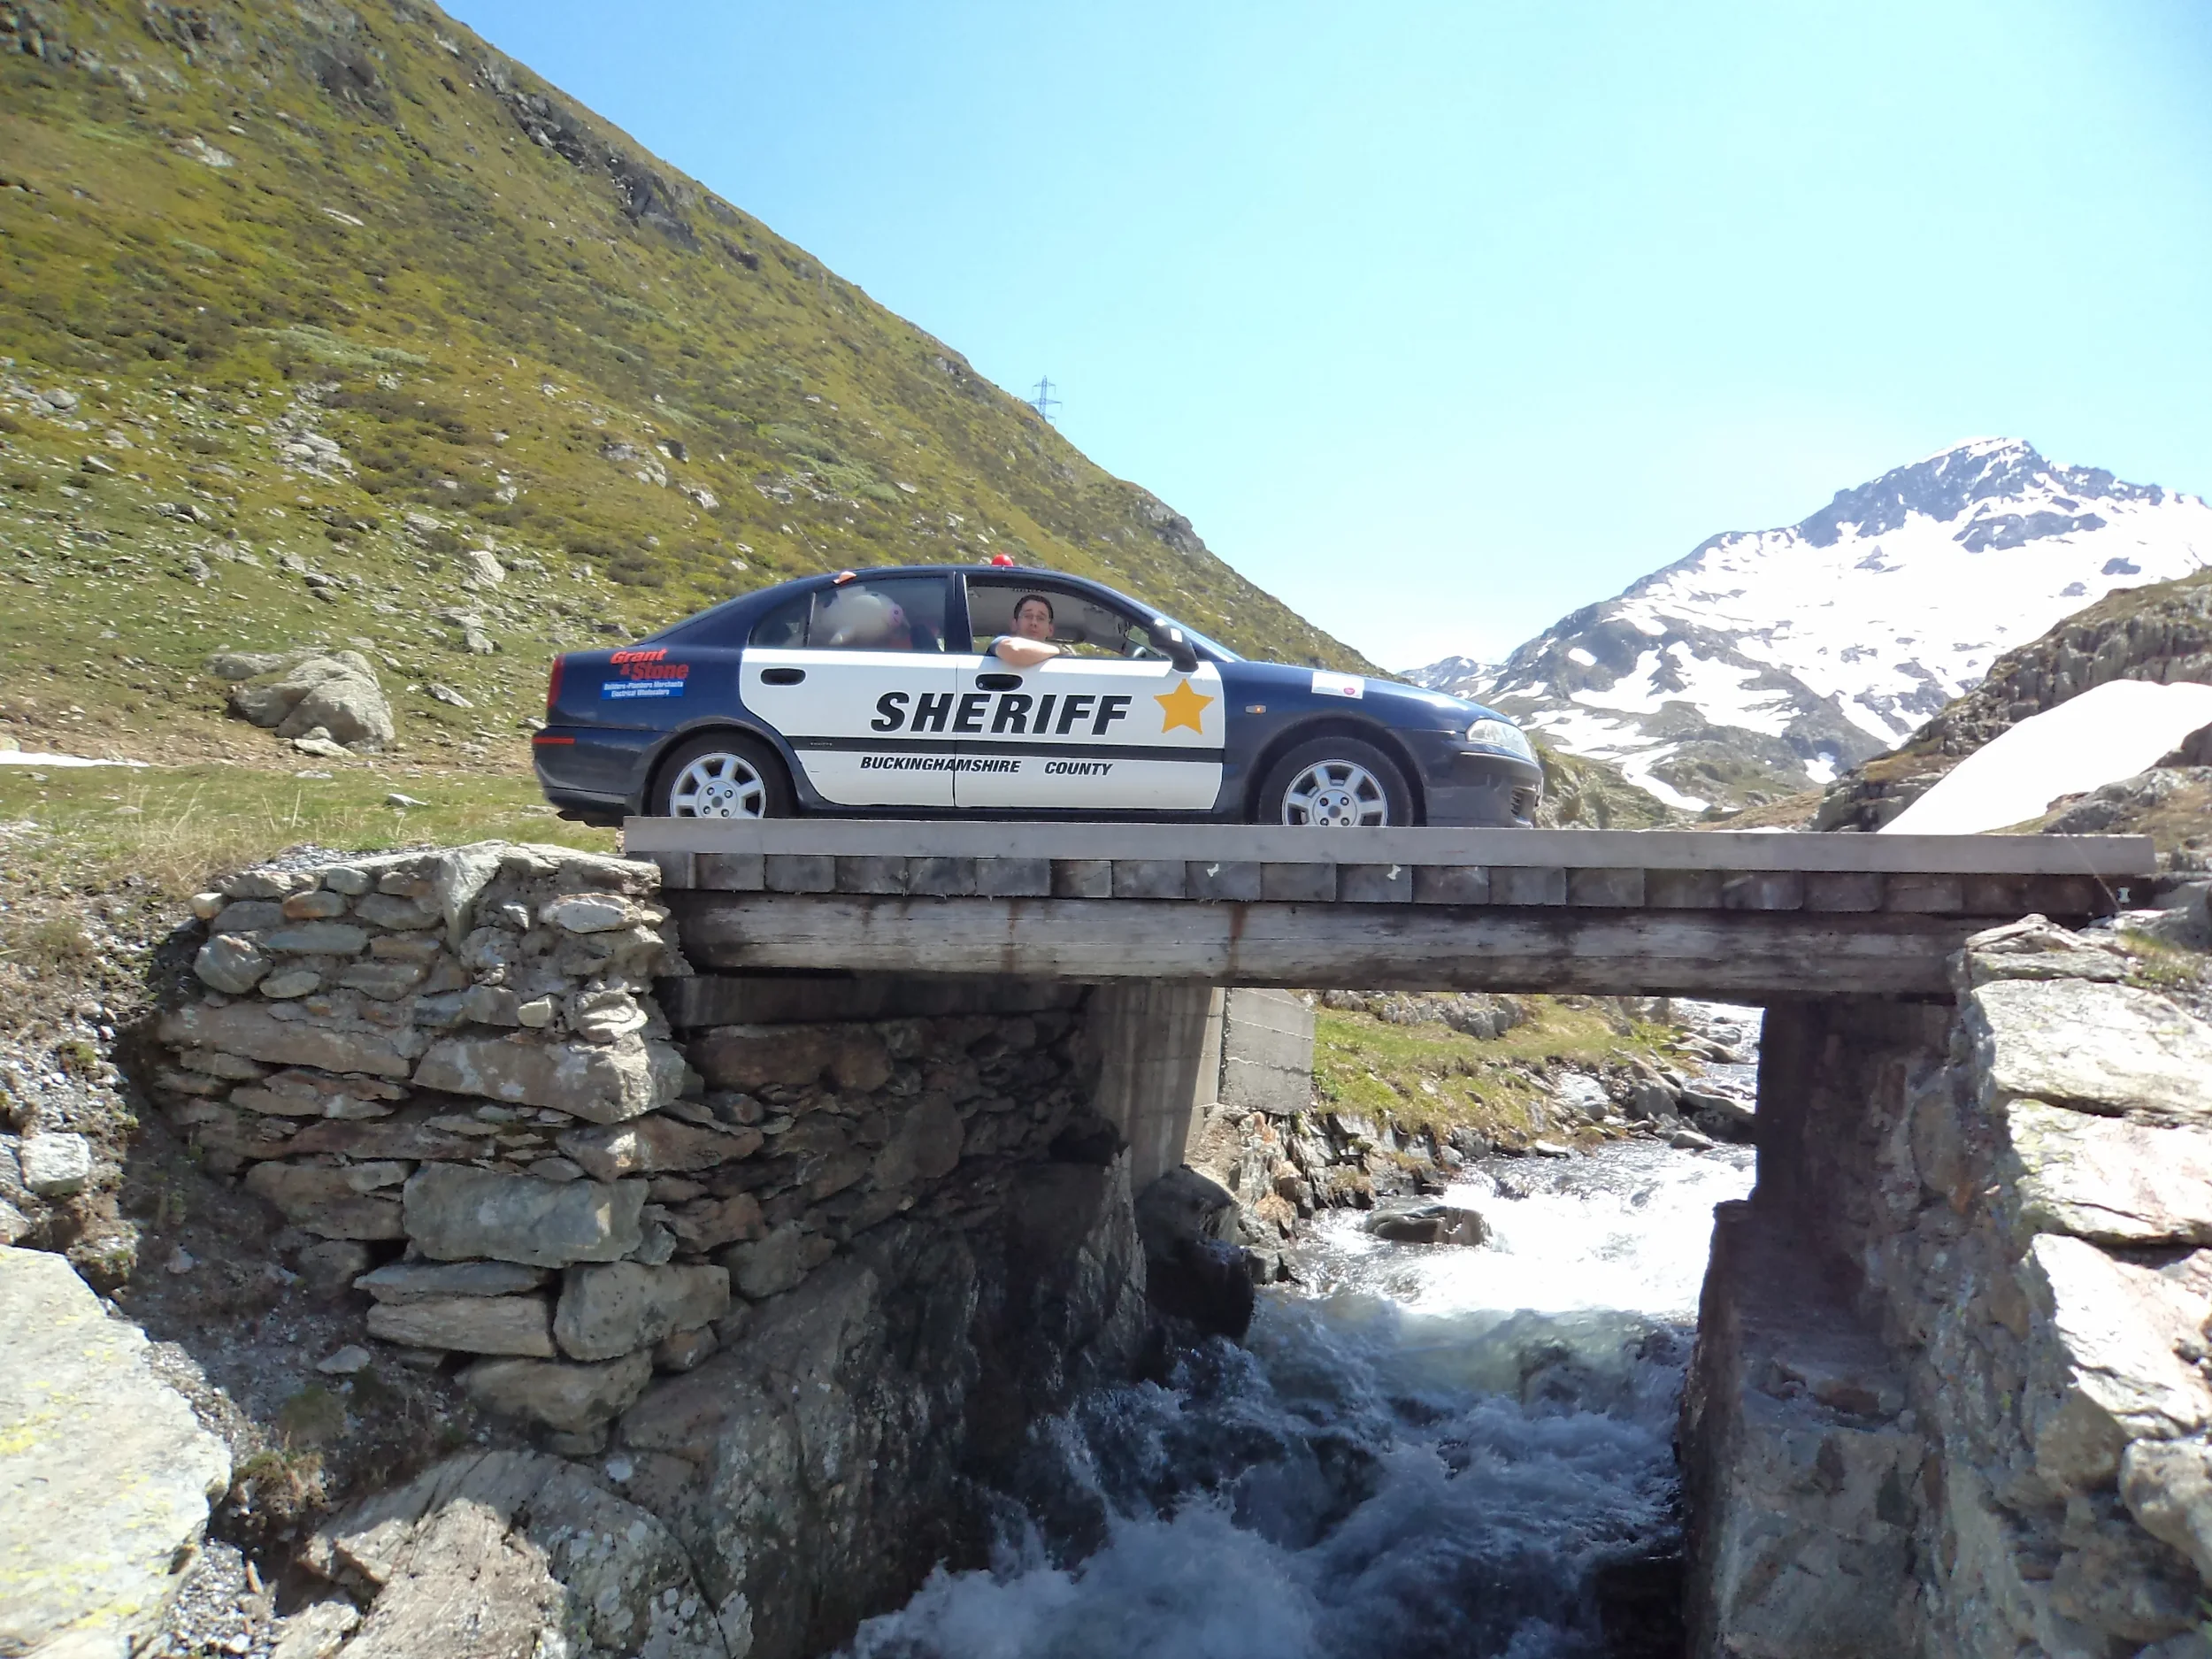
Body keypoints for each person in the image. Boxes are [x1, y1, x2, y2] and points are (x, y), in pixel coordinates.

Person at [990, 593, 1069, 667]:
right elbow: (1015, 650)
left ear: (1050, 629)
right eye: (1027, 616)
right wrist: (1057, 650)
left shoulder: (1062, 664)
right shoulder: (1001, 643)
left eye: (1041, 618)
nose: (1034, 623)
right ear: (1014, 624)